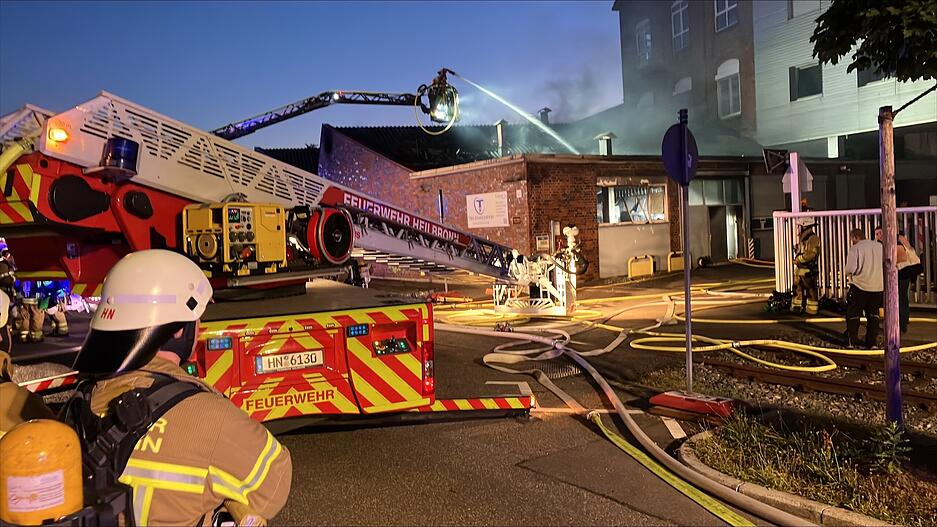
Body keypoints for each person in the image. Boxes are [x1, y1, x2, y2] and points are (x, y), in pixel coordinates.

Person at [70, 249, 292, 526]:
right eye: (197, 317)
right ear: (178, 330)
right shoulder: (212, 419)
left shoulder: (79, 402)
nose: (200, 325)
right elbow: (274, 483)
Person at [844, 229, 883, 348]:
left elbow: (850, 268)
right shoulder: (879, 247)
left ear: (855, 237)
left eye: (852, 239)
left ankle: (852, 341)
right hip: (877, 286)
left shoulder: (856, 248)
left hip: (860, 286)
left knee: (853, 314)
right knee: (873, 315)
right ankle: (871, 343)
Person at [791, 220, 820, 315]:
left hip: (808, 269)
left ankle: (812, 310)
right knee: (797, 289)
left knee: (810, 289)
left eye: (799, 226)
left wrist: (798, 259)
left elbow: (810, 254)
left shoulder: (813, 238)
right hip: (801, 269)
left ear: (805, 226)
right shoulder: (804, 238)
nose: (798, 228)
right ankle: (796, 307)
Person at [896, 232, 923, 334]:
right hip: (906, 273)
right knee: (903, 297)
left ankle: (902, 323)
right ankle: (904, 320)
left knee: (900, 298)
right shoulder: (903, 241)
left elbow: (902, 258)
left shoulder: (897, 241)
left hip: (901, 272)